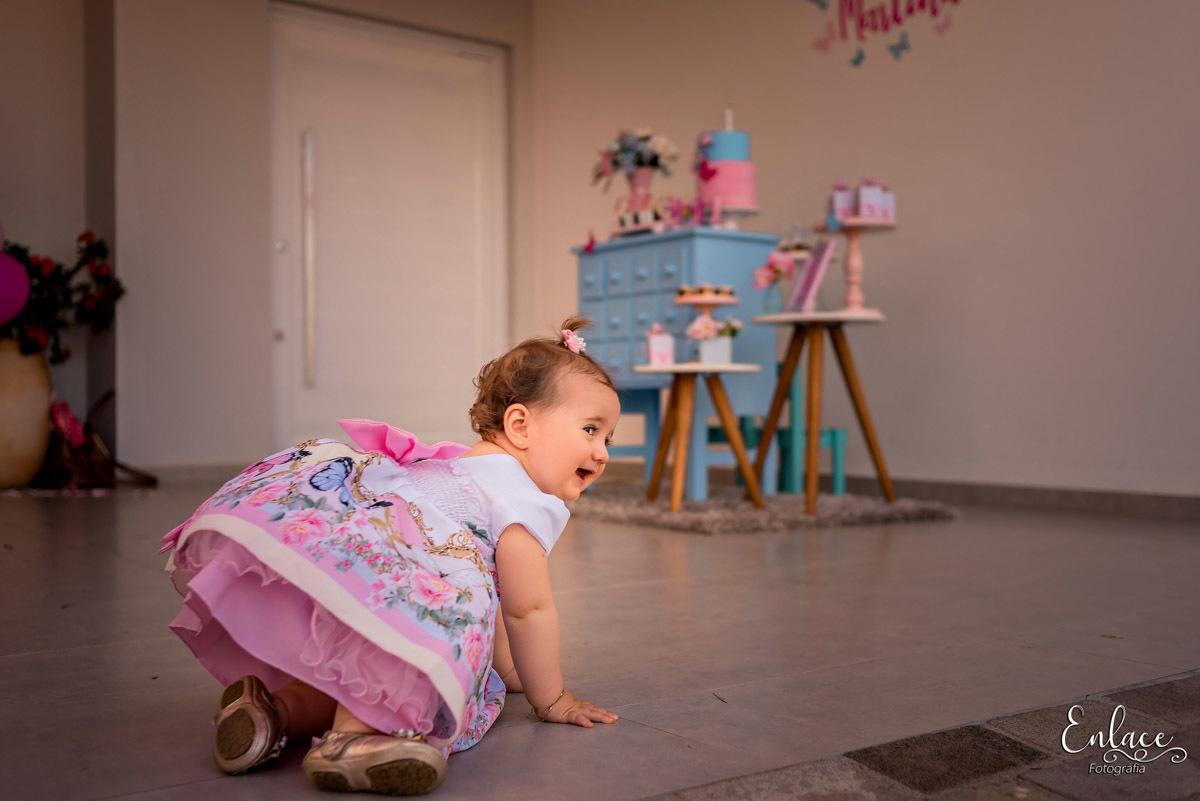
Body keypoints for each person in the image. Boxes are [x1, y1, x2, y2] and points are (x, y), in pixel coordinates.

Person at [158, 316, 621, 796]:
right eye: (590, 429)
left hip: (357, 574)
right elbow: (527, 610)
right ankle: (356, 741)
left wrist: (506, 672)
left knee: (354, 673)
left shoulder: (461, 466)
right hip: (404, 591)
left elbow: (496, 598)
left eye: (607, 437)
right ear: (520, 425)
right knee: (404, 667)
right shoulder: (525, 500)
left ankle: (272, 710)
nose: (602, 452)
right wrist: (552, 699)